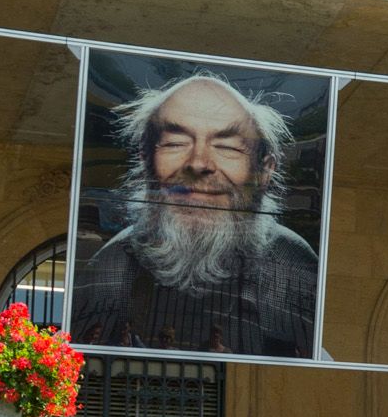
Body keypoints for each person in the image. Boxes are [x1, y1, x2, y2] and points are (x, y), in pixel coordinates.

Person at [73, 70, 320, 358]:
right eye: (176, 143)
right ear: (145, 161)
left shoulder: (294, 268)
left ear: (265, 170)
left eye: (227, 146)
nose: (199, 163)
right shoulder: (111, 266)